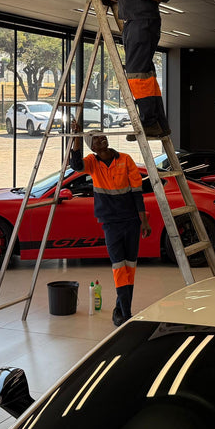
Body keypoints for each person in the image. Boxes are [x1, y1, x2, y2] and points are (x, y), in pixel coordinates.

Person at [93, 0, 173, 139]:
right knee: (145, 73)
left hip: (145, 20)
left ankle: (148, 122)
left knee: (136, 73)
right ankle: (159, 124)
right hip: (131, 21)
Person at [69, 119, 151, 326]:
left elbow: (137, 193)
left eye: (102, 135)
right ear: (93, 147)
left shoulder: (125, 159)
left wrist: (144, 221)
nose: (101, 138)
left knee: (130, 266)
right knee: (118, 266)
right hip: (110, 223)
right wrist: (77, 137)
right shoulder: (92, 163)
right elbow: (75, 165)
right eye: (95, 138)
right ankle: (125, 312)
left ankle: (121, 309)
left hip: (131, 221)